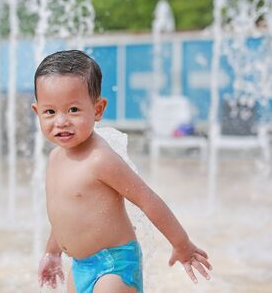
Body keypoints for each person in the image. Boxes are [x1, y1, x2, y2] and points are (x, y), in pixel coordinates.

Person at [31, 50, 212, 293]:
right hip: (80, 266)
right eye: (50, 112)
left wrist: (181, 243)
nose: (61, 121)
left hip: (114, 265)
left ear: (98, 109)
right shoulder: (55, 158)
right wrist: (52, 252)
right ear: (37, 112)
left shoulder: (100, 159)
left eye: (73, 110)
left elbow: (148, 200)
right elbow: (63, 214)